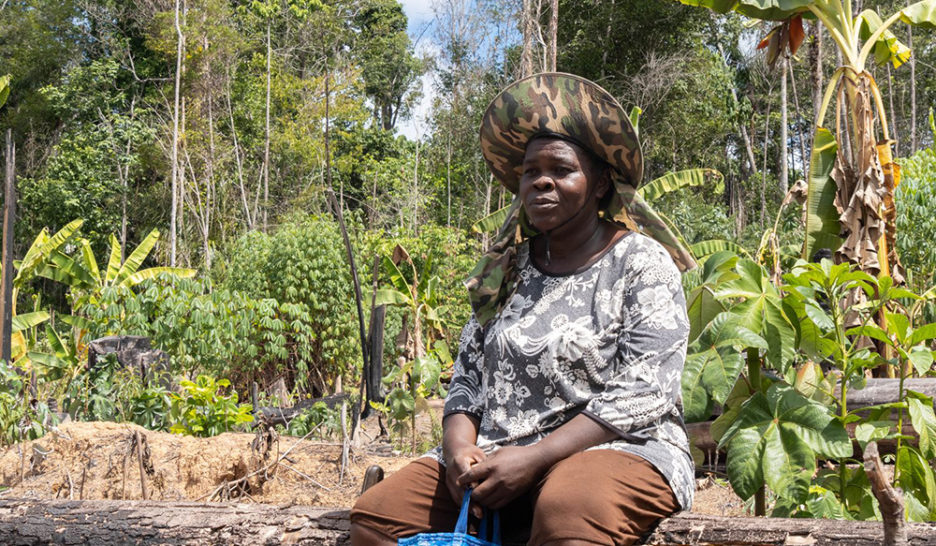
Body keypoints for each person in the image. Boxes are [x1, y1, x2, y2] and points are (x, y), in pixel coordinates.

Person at [351, 73, 696, 546]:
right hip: (500, 451)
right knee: (378, 517)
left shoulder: (639, 262)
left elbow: (645, 389)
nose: (541, 182)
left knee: (567, 515)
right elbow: (468, 379)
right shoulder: (507, 270)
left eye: (561, 170)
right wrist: (459, 453)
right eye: (531, 172)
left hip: (622, 447)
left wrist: (536, 459)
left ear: (598, 185)